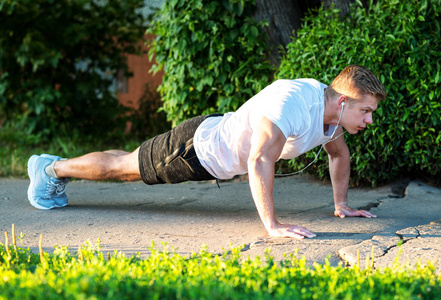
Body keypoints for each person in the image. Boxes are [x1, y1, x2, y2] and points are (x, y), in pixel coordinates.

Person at [27, 64, 386, 240]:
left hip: (213, 137)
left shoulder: (333, 118)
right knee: (124, 167)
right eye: (365, 111)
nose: (369, 120)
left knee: (129, 159)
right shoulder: (292, 103)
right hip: (197, 150)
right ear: (342, 101)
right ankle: (50, 170)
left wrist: (340, 206)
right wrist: (272, 226)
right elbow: (259, 158)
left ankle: (52, 167)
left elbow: (338, 155)